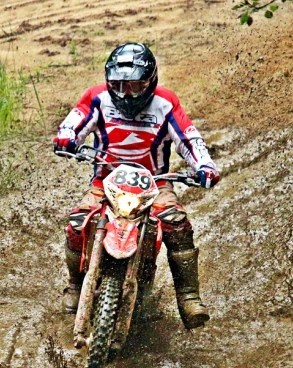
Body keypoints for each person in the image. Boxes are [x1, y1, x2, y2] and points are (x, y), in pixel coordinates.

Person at [53, 42, 220, 329]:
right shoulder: (96, 98)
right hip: (104, 182)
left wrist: (205, 167)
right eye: (118, 84)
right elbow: (74, 122)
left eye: (134, 85)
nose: (125, 93)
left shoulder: (166, 104)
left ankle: (188, 296)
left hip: (155, 184)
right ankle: (74, 284)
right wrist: (66, 138)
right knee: (78, 222)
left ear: (150, 81)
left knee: (176, 223)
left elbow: (190, 139)